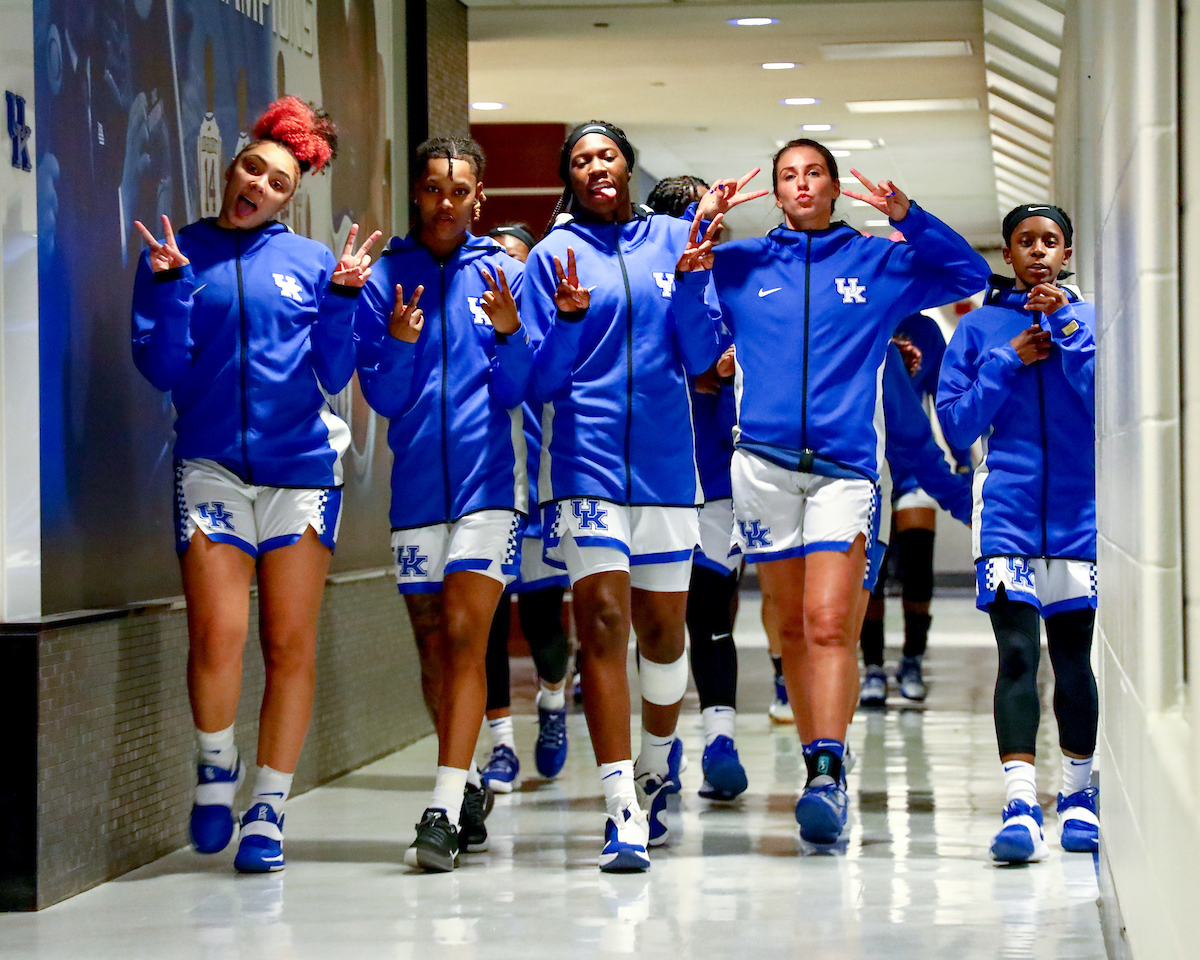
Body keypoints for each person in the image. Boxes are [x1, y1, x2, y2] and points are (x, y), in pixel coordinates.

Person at [673, 138, 990, 845]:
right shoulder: (742, 263)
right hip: (761, 468)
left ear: (836, 186)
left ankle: (825, 769)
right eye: (788, 175)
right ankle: (821, 755)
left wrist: (911, 218)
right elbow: (697, 348)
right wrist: (698, 247)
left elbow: (966, 270)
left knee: (826, 622)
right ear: (778, 194)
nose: (801, 184)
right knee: (788, 630)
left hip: (845, 472)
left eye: (814, 172)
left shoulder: (879, 263)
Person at [131, 97, 379, 873]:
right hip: (210, 466)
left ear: (290, 193)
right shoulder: (175, 254)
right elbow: (161, 369)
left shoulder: (310, 264)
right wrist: (171, 292)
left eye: (277, 181)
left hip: (300, 471)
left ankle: (268, 807)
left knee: (287, 643)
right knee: (218, 636)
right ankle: (215, 768)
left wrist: (342, 300)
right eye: (252, 169)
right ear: (232, 166)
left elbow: (336, 373)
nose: (258, 187)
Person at [524, 121, 754, 870]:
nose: (597, 167)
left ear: (627, 167)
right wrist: (563, 322)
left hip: (665, 470)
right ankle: (620, 803)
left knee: (663, 634)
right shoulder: (551, 256)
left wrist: (693, 282)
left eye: (608, 156)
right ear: (570, 175)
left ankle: (657, 762)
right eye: (582, 159)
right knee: (602, 620)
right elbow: (538, 379)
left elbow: (700, 359)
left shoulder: (670, 241)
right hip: (585, 462)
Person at [354, 137, 533, 872]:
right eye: (433, 189)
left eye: (460, 192)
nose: (446, 203)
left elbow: (521, 388)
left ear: (479, 198)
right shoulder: (384, 277)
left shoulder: (505, 273)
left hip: (491, 488)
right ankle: (461, 787)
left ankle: (439, 807)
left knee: (465, 634)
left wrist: (510, 332)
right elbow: (386, 398)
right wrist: (398, 343)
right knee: (433, 644)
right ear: (417, 193)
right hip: (417, 494)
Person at [937, 204, 1098, 864]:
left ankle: (1080, 795)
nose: (1038, 251)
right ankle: (1022, 801)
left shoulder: (1088, 323)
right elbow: (956, 427)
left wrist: (1063, 328)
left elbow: (1105, 400)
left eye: (1050, 241)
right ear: (1008, 255)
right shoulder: (977, 332)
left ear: (1067, 251)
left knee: (1072, 660)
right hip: (1003, 516)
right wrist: (1006, 360)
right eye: (1025, 242)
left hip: (1079, 523)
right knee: (1016, 658)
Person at [645, 175, 747, 801]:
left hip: (717, 478)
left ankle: (719, 739)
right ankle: (664, 743)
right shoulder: (641, 291)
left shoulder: (734, 288)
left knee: (710, 614)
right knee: (658, 622)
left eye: (712, 221)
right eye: (690, 220)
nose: (704, 231)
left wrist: (724, 371)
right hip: (653, 476)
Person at [477, 221, 573, 794]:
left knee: (542, 627)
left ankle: (554, 698)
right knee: (487, 628)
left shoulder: (547, 324)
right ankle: (502, 747)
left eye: (517, 261)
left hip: (535, 490)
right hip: (484, 491)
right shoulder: (473, 325)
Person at [860, 312, 975, 707]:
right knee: (869, 571)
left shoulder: (926, 330)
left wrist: (963, 459)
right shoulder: (863, 312)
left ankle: (912, 661)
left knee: (917, 565)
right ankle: (872, 667)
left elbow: (945, 398)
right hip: (866, 464)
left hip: (914, 465)